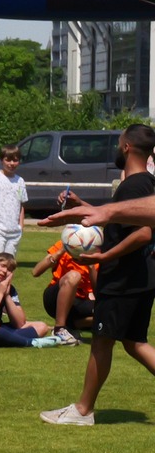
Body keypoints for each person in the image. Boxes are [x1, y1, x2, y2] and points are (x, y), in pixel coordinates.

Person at [43, 125, 155, 424]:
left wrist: (106, 256)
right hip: (141, 277)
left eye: (120, 143)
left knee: (101, 342)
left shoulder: (134, 185)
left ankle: (82, 410)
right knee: (135, 343)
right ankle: (83, 409)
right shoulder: (143, 183)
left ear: (127, 146)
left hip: (123, 279)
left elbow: (144, 232)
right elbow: (120, 218)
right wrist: (83, 206)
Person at [34, 236, 95, 340]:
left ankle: (72, 325)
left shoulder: (97, 251)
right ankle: (59, 328)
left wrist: (91, 266)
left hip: (80, 301)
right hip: (56, 298)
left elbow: (98, 289)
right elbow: (36, 271)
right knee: (74, 276)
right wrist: (61, 251)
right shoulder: (64, 244)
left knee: (112, 309)